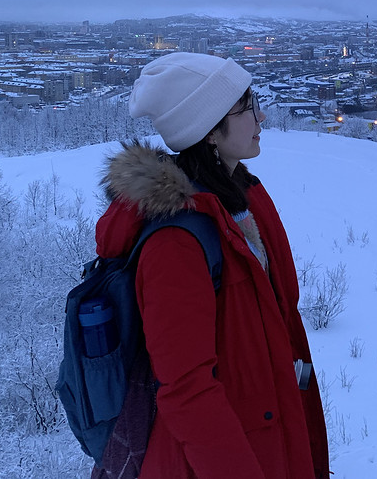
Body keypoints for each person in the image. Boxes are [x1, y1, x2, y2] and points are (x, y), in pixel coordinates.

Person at [95, 52, 330, 478]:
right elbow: (187, 392)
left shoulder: (243, 200)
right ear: (208, 131)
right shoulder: (177, 242)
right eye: (246, 106)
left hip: (270, 436)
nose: (261, 117)